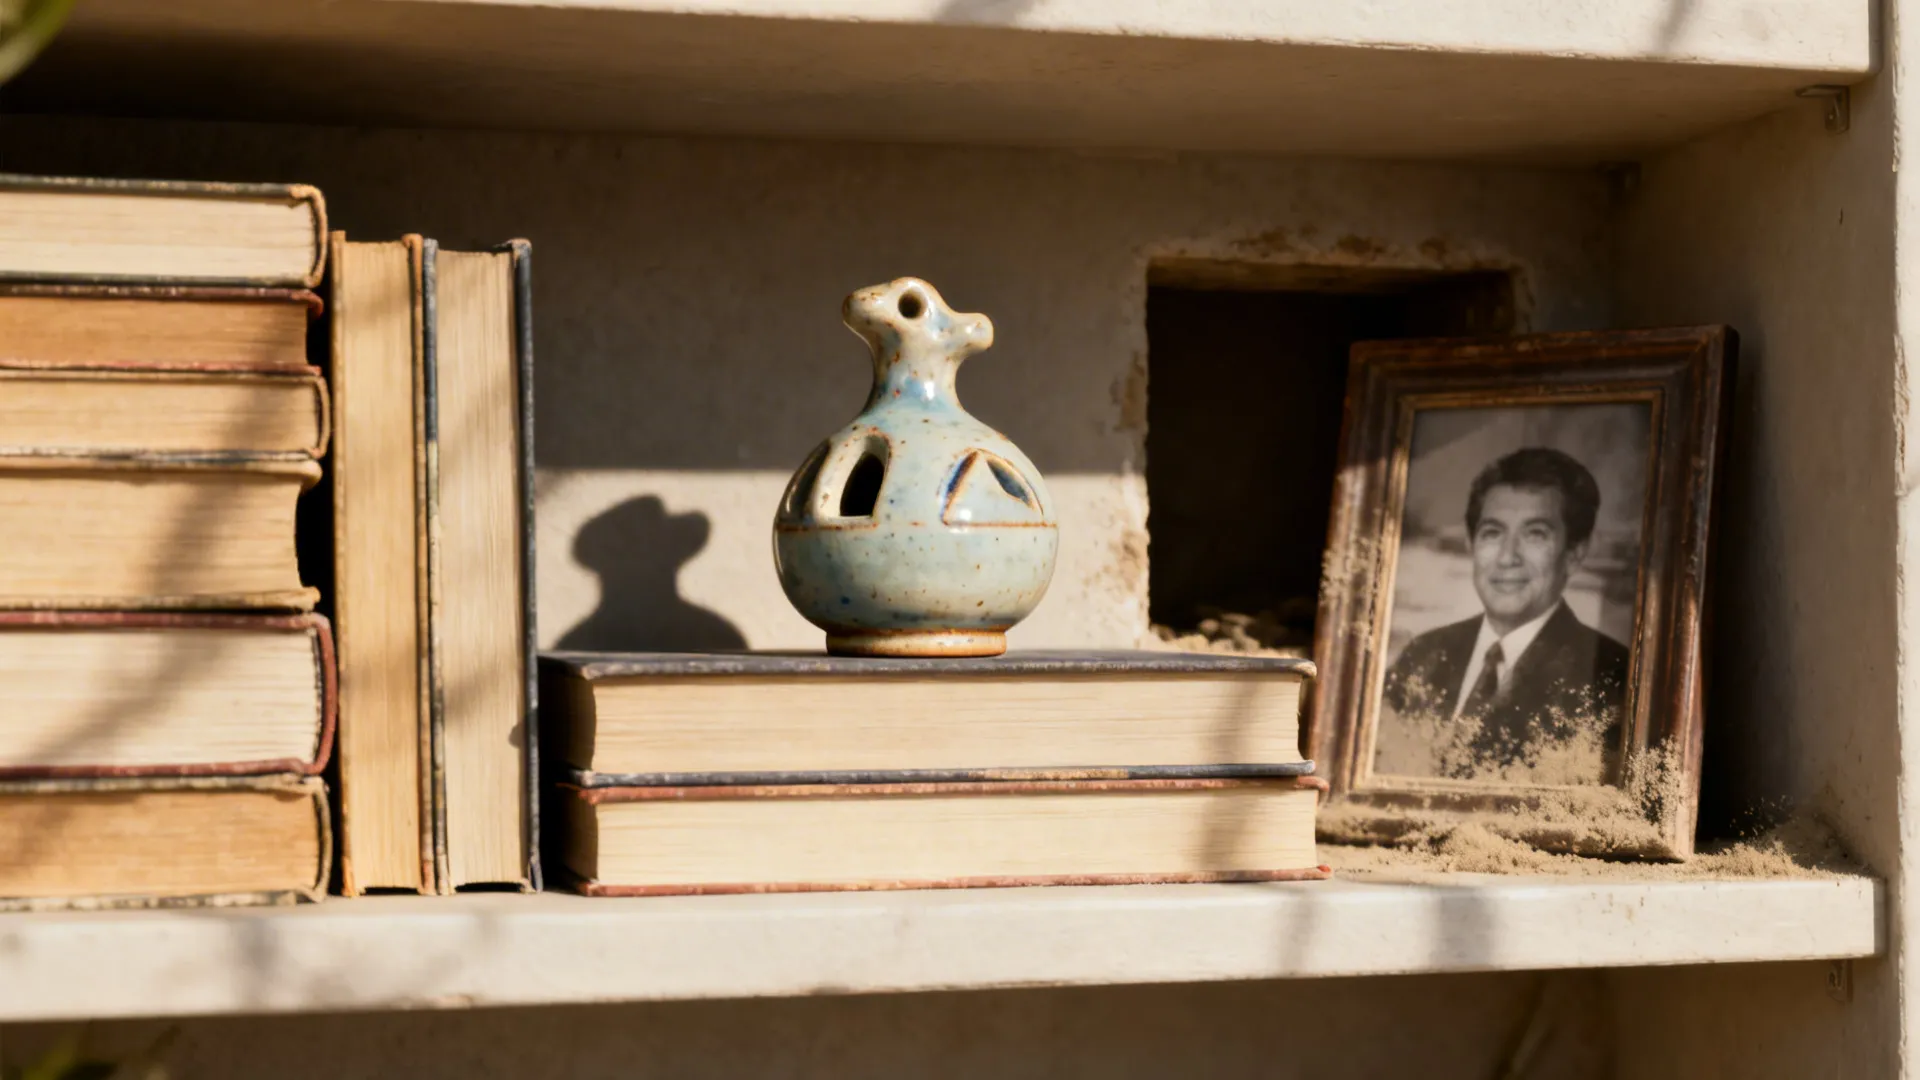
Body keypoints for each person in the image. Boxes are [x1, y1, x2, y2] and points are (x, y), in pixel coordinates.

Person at [1381, 447, 1631, 774]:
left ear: (1574, 553)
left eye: (1535, 534)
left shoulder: (1610, 677)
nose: (1507, 557)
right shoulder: (1422, 655)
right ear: (1472, 544)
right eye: (1493, 533)